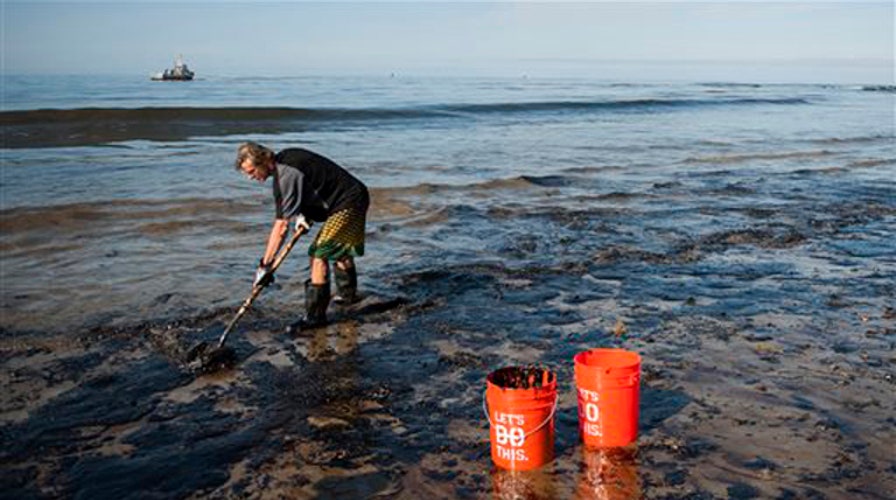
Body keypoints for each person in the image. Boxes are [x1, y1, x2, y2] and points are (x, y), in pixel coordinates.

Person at [234, 142, 369, 332]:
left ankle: (315, 318)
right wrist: (303, 214)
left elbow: (281, 227)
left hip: (347, 202)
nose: (251, 177)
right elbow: (311, 183)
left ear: (263, 160)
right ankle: (348, 298)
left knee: (318, 254)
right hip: (354, 195)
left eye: (251, 171)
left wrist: (266, 265)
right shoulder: (288, 159)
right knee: (338, 249)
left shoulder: (285, 174)